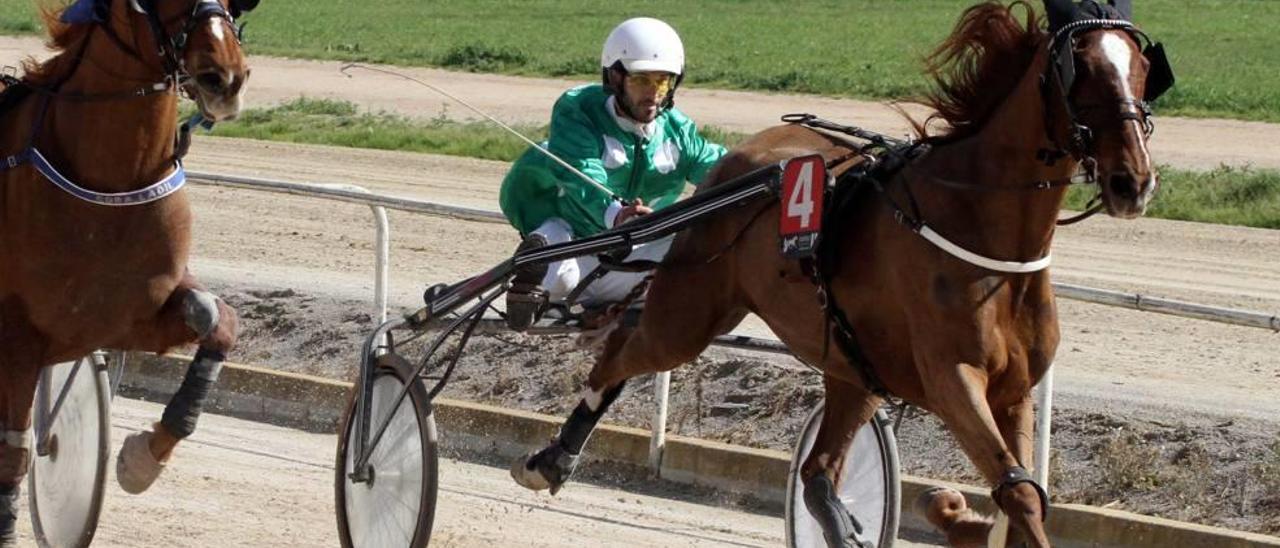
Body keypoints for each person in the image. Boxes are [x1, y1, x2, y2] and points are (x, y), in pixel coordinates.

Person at [498, 17, 727, 331]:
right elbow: (581, 174)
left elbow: (721, 168)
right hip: (575, 243)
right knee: (555, 250)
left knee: (694, 250)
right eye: (642, 80)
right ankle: (533, 284)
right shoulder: (578, 110)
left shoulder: (679, 132)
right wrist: (617, 215)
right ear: (616, 77)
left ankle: (617, 304)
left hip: (628, 257)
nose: (654, 94)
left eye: (662, 81)